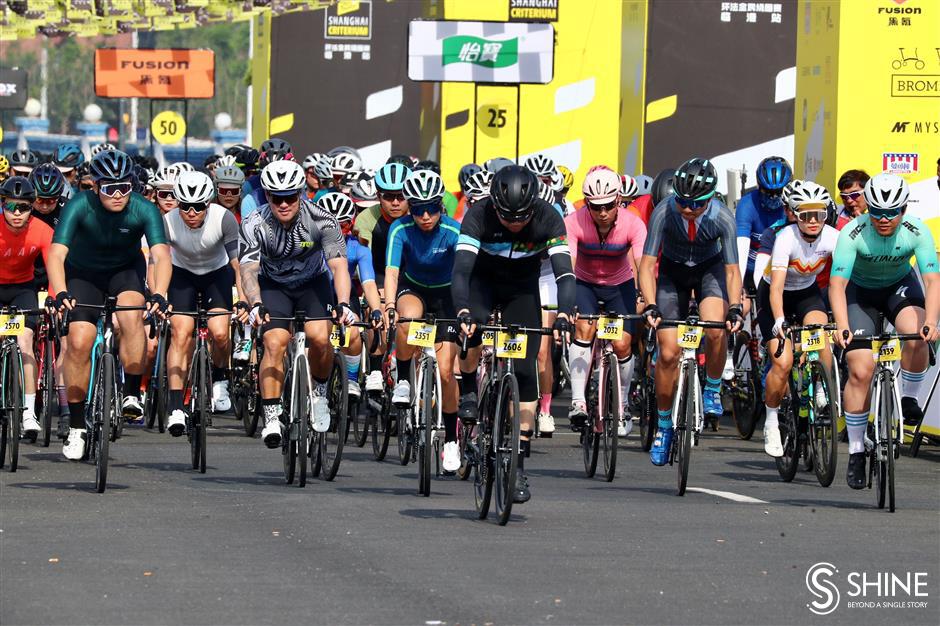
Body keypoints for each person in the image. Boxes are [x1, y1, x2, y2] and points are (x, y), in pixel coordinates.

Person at [452, 165, 575, 503]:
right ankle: (467, 393)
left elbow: (565, 274)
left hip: (523, 289)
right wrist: (462, 310)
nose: (515, 223)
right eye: (507, 216)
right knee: (471, 329)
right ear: (494, 206)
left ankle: (518, 464)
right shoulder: (478, 214)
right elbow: (461, 271)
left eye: (522, 217)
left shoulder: (549, 217)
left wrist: (564, 312)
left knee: (524, 370)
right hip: (483, 282)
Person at [47, 149, 171, 460]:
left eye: (124, 188)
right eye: (109, 188)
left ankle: (130, 392)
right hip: (83, 276)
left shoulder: (144, 209)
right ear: (95, 186)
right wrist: (61, 292)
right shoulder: (79, 204)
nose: (117, 195)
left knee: (132, 318)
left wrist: (160, 294)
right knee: (78, 342)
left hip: (124, 273)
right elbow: (56, 254)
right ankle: (76, 426)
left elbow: (161, 255)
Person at [830, 173, 939, 489]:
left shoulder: (917, 230)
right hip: (859, 294)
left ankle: (908, 397)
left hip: (899, 288)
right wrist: (842, 326)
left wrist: (932, 321)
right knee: (860, 370)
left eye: (892, 212)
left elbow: (933, 280)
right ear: (868, 208)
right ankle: (855, 449)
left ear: (904, 209)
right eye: (876, 211)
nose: (884, 219)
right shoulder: (852, 233)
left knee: (917, 333)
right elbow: (837, 285)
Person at [239, 160, 354, 449]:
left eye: (291, 196)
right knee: (275, 343)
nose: (284, 203)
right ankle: (272, 415)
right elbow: (249, 270)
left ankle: (320, 393)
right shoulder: (255, 223)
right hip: (273, 286)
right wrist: (255, 303)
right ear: (266, 196)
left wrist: (343, 303)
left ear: (301, 192)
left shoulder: (322, 219)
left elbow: (338, 266)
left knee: (319, 338)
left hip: (312, 285)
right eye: (276, 198)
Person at [638, 158, 743, 466]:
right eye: (682, 201)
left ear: (710, 198)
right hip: (672, 274)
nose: (687, 208)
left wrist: (735, 306)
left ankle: (712, 386)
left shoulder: (722, 216)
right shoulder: (664, 212)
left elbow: (733, 270)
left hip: (709, 271)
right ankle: (664, 425)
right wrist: (650, 303)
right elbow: (646, 265)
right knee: (669, 354)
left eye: (695, 204)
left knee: (715, 328)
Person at [382, 170, 462, 471]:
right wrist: (390, 306)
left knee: (445, 373)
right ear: (409, 207)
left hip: (446, 295)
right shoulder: (400, 229)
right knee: (408, 319)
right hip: (413, 288)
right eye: (417, 209)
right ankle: (403, 379)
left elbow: (466, 274)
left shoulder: (454, 231)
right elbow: (391, 271)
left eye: (431, 208)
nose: (425, 216)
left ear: (441, 206)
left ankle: (452, 440)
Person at [565, 167, 647, 437]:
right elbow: (570, 264)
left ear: (619, 201)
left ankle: (622, 403)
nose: (602, 212)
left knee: (623, 343)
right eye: (595, 206)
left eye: (609, 206)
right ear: (587, 203)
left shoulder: (633, 224)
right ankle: (578, 400)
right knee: (585, 328)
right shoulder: (574, 221)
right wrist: (567, 303)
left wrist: (643, 296)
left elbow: (640, 265)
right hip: (584, 282)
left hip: (619, 284)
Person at [759, 182, 838, 457]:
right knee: (783, 362)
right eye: (805, 215)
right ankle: (770, 421)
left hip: (807, 293)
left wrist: (841, 321)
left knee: (821, 337)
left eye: (819, 214)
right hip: (774, 296)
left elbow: (841, 283)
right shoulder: (785, 238)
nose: (813, 221)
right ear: (795, 214)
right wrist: (779, 320)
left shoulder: (833, 237)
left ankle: (820, 388)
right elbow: (776, 288)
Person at [163, 171, 245, 436]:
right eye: (185, 206)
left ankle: (221, 377)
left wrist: (243, 300)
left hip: (217, 273)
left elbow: (238, 264)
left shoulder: (224, 218)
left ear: (208, 203)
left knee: (220, 333)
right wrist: (159, 294)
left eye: (198, 206)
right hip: (181, 274)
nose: (191, 212)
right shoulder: (167, 221)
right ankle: (176, 406)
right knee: (181, 333)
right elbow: (158, 261)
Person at [0, 176, 52, 440]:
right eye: (10, 207)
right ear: (3, 206)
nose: (16, 213)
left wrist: (55, 297)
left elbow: (56, 267)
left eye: (23, 207)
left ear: (32, 208)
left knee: (25, 341)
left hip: (23, 288)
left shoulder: (42, 231)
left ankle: (29, 412)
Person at [317, 191, 383, 400]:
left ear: (351, 224)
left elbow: (369, 283)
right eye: (329, 226)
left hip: (346, 296)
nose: (336, 232)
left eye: (342, 226)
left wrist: (376, 310)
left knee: (353, 332)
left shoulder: (358, 247)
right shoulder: (309, 244)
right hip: (316, 295)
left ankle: (352, 378)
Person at [735, 156, 792, 296]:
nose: (773, 197)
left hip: (781, 269)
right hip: (749, 269)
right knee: (741, 307)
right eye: (768, 192)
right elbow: (741, 252)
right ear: (759, 186)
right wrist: (738, 289)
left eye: (779, 192)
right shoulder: (747, 204)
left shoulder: (792, 206)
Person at [354, 162, 411, 292]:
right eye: (388, 196)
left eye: (401, 196)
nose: (395, 203)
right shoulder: (365, 219)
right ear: (378, 196)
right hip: (378, 277)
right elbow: (364, 262)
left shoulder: (419, 215)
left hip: (412, 278)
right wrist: (372, 292)